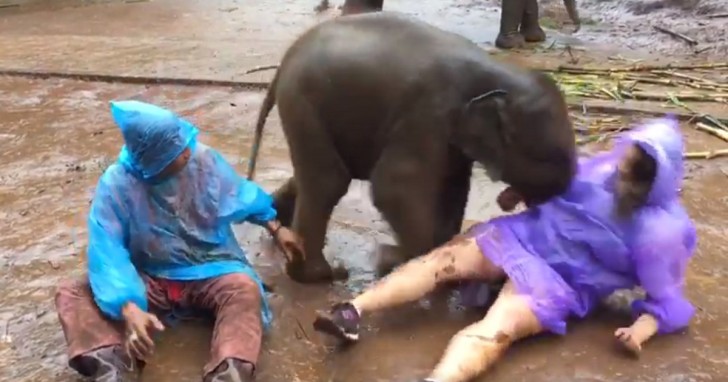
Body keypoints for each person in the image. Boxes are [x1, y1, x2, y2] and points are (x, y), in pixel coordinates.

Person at [313, 117, 697, 382]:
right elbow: (556, 183)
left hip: (560, 282)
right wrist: (521, 190)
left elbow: (665, 300)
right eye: (625, 162)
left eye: (631, 171)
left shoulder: (661, 232)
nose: (621, 172)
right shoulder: (601, 171)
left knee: (498, 329)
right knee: (441, 261)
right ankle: (352, 310)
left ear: (654, 181)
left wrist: (639, 331)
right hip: (522, 236)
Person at [55, 100, 302, 382]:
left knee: (244, 290)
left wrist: (276, 226)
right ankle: (110, 367)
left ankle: (229, 370)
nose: (186, 153)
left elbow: (238, 194)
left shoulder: (202, 160)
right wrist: (128, 306)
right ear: (151, 164)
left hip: (209, 267)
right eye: (176, 152)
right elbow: (107, 250)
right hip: (150, 275)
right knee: (73, 292)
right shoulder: (117, 184)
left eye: (184, 146)